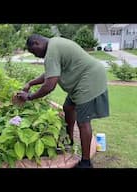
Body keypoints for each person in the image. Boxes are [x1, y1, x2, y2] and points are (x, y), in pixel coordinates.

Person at [17, 34, 109, 168]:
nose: (36, 56)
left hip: (89, 80)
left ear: (36, 43)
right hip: (81, 81)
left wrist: (29, 97)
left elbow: (49, 85)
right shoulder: (55, 45)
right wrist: (30, 83)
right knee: (68, 107)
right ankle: (69, 140)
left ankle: (85, 162)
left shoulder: (52, 51)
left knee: (83, 122)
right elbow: (50, 73)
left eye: (33, 52)